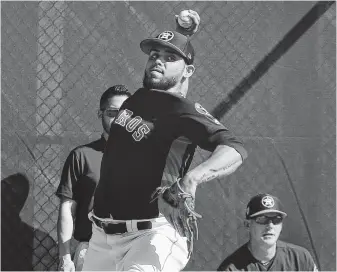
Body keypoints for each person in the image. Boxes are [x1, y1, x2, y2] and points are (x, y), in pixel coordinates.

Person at [83, 10, 248, 272]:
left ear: (188, 70)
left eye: (169, 58)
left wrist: (192, 179)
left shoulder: (183, 110)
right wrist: (182, 36)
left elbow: (235, 149)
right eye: (154, 56)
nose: (158, 61)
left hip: (152, 235)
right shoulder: (137, 98)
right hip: (101, 238)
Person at [56, 85, 131, 272]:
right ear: (101, 114)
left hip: (134, 250)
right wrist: (65, 258)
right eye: (113, 112)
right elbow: (67, 210)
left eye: (126, 113)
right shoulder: (81, 156)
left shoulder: (146, 158)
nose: (120, 119)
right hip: (92, 250)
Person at [217, 193, 318, 271]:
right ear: (248, 225)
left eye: (276, 219)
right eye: (262, 219)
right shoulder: (231, 268)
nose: (270, 226)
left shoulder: (300, 259)